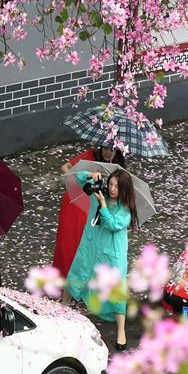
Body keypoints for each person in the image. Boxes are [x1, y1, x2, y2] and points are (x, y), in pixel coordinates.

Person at [62, 169, 137, 351]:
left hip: (111, 254)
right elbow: (76, 177)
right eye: (110, 184)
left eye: (116, 186)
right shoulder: (97, 192)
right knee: (78, 272)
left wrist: (103, 204)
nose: (112, 189)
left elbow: (112, 224)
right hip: (90, 245)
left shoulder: (125, 209)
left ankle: (121, 331)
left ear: (124, 189)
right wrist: (90, 175)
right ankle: (63, 307)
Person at [53, 145, 125, 278]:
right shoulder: (91, 156)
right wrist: (77, 185)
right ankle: (68, 278)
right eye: (105, 148)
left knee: (92, 243)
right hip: (77, 202)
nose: (107, 152)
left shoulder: (117, 168)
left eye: (112, 150)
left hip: (98, 205)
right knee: (72, 240)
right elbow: (65, 167)